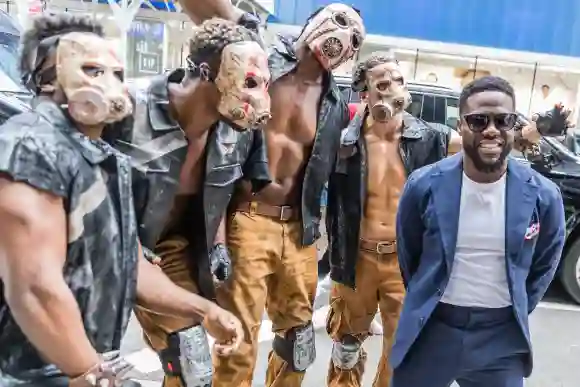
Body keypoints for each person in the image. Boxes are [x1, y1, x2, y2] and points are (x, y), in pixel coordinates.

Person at [1, 13, 243, 387]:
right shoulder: (30, 148)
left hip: (85, 363)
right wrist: (92, 374)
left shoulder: (104, 159)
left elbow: (129, 265)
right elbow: (36, 288)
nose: (112, 86)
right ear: (47, 81)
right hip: (32, 372)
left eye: (116, 73)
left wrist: (204, 309)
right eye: (92, 70)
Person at [323, 55, 544, 387]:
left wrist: (537, 130)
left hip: (401, 264)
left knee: (402, 351)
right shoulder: (343, 141)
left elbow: (487, 140)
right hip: (355, 261)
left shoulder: (428, 137)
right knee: (346, 348)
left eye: (399, 81)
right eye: (383, 85)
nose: (394, 90)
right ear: (364, 93)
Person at [104, 17, 272, 387]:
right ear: (206, 71)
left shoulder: (237, 130)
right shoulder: (125, 108)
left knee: (191, 357)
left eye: (264, 84)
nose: (260, 98)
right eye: (249, 83)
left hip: (172, 249)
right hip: (108, 247)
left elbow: (226, 194)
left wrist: (218, 246)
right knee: (88, 362)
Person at [391, 75, 566, 387]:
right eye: (478, 120)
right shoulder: (423, 185)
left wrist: (513, 305)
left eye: (503, 121)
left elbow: (543, 265)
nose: (491, 130)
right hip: (431, 328)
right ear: (461, 126)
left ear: (514, 127)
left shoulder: (543, 195)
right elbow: (411, 257)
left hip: (500, 341)